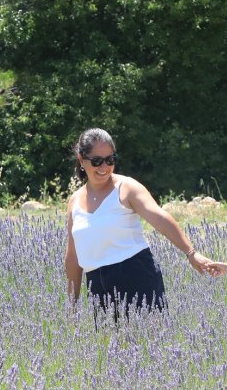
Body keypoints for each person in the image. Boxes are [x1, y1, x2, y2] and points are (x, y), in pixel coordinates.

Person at [64, 128, 214, 320]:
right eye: (97, 161)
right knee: (109, 349)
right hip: (97, 287)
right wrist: (72, 304)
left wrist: (191, 253)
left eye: (110, 160)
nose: (104, 167)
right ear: (81, 159)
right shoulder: (75, 201)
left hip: (135, 276)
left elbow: (159, 218)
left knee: (147, 346)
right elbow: (73, 256)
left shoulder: (126, 188)